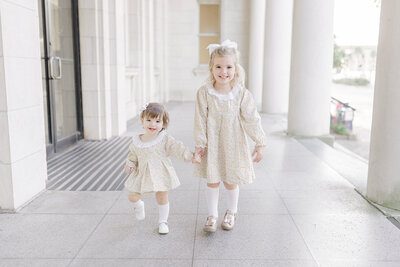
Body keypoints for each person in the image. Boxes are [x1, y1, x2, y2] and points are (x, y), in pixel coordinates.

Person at [193, 40, 266, 232]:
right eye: (218, 66)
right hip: (212, 143)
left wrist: (260, 142)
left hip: (233, 142)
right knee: (212, 179)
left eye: (228, 67)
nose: (223, 71)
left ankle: (231, 212)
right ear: (211, 68)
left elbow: (251, 118)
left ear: (235, 68)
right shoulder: (204, 92)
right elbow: (199, 119)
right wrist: (200, 144)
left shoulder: (241, 93)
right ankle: (212, 214)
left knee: (230, 180)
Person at [124, 102, 197, 234]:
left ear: (163, 123)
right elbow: (133, 155)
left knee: (162, 196)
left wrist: (190, 156)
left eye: (157, 121)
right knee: (132, 196)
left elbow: (177, 148)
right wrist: (130, 164)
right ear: (142, 121)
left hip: (160, 172)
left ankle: (163, 222)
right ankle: (138, 205)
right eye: (149, 120)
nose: (153, 124)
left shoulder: (164, 138)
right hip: (142, 173)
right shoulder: (137, 140)